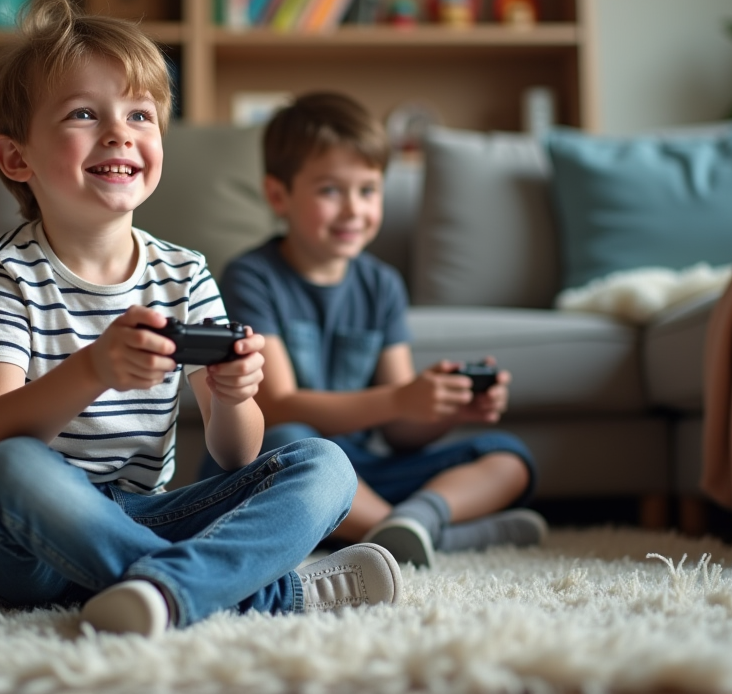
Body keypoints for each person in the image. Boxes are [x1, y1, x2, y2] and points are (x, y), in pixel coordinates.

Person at [0, 0, 402, 637]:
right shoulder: (1, 272)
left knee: (325, 466)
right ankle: (248, 596)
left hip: (136, 518)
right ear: (17, 158)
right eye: (84, 113)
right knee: (13, 468)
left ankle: (157, 587)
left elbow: (236, 453)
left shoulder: (184, 273)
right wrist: (95, 367)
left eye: (140, 115)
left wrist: (235, 398)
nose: (119, 131)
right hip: (13, 546)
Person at [199, 91, 546, 568]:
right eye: (330, 191)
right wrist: (401, 399)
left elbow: (401, 432)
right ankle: (414, 531)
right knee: (289, 441)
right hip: (292, 462)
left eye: (368, 190)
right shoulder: (252, 276)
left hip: (365, 473)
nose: (353, 210)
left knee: (507, 455)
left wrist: (442, 408)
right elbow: (277, 405)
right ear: (278, 195)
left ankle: (414, 522)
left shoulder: (382, 284)